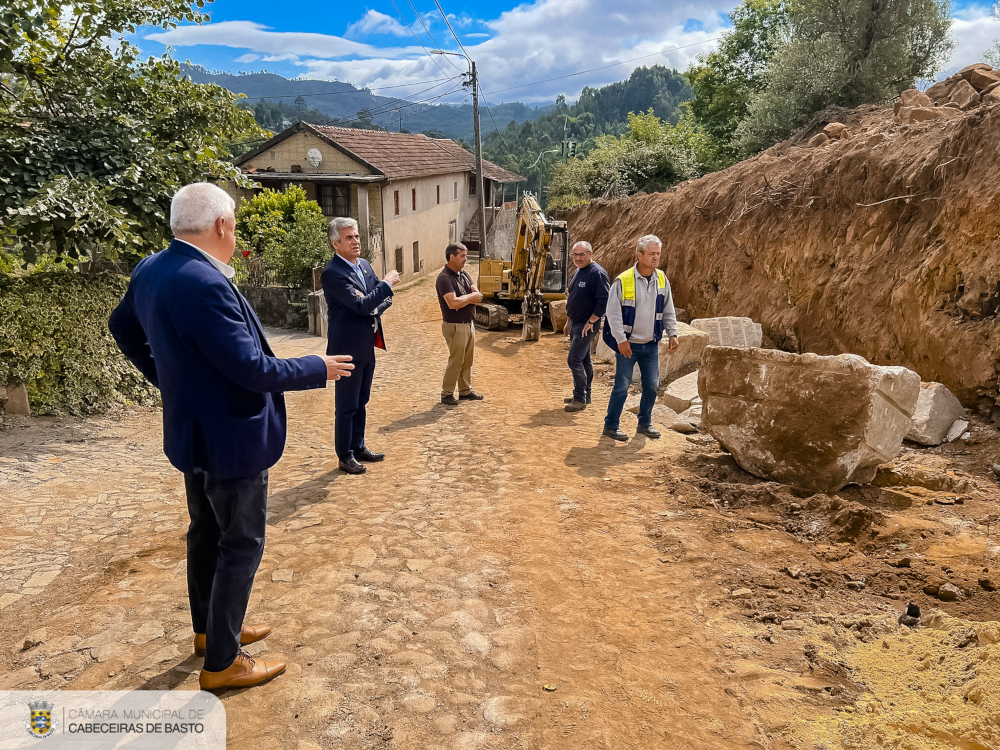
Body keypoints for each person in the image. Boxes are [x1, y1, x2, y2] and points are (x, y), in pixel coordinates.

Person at [108, 182, 354, 691]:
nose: (235, 230)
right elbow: (253, 369)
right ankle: (222, 661)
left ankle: (210, 630)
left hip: (192, 435)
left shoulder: (152, 268)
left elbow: (121, 327)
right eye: (235, 223)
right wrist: (316, 366)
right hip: (231, 439)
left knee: (205, 534)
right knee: (241, 543)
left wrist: (166, 377)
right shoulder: (204, 282)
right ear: (221, 225)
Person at [321, 217, 399, 475]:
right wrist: (385, 286)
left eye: (356, 236)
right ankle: (344, 455)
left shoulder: (363, 265)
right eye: (349, 238)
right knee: (346, 404)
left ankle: (358, 445)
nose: (356, 241)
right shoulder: (333, 273)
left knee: (362, 400)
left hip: (366, 344)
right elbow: (364, 304)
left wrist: (378, 296)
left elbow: (379, 298)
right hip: (345, 350)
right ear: (336, 243)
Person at [602, 234, 679, 442]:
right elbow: (613, 313)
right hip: (628, 345)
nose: (656, 258)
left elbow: (668, 309)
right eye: (652, 254)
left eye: (658, 254)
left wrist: (672, 333)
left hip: (650, 345)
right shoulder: (623, 280)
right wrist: (620, 340)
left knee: (652, 385)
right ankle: (611, 425)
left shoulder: (662, 279)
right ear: (639, 255)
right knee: (622, 386)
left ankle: (644, 423)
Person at [562, 241, 610, 412]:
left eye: (582, 254)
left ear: (591, 253)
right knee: (584, 359)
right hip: (576, 322)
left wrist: (591, 321)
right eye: (575, 255)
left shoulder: (597, 274)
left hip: (587, 324)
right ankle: (584, 394)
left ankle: (579, 398)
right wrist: (569, 321)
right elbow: (573, 298)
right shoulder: (577, 271)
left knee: (574, 359)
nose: (578, 258)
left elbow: (604, 301)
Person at [435, 242, 484, 406]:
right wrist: (470, 298)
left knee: (467, 360)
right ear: (452, 257)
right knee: (456, 360)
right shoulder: (444, 278)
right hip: (455, 325)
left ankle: (465, 390)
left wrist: (471, 296)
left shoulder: (463, 274)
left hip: (468, 324)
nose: (466, 259)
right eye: (462, 256)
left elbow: (477, 292)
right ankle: (447, 394)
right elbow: (453, 303)